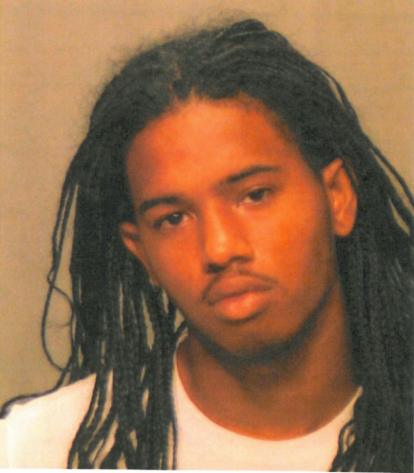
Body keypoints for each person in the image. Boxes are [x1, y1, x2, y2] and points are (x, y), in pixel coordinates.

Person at [0, 18, 413, 471]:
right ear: (141, 252)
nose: (219, 248)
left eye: (255, 195)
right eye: (173, 219)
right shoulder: (37, 451)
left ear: (337, 197)